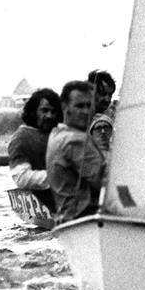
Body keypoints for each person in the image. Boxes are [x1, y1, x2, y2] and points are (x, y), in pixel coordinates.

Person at [46, 80, 106, 222]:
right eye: (79, 106)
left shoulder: (56, 134)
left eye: (89, 105)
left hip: (68, 220)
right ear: (65, 106)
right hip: (87, 220)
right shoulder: (75, 140)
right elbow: (106, 182)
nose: (86, 111)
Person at [7, 88, 62, 212]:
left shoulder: (59, 133)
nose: (49, 116)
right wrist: (59, 178)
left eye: (53, 112)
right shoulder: (21, 137)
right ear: (33, 112)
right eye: (44, 110)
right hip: (47, 198)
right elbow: (21, 177)